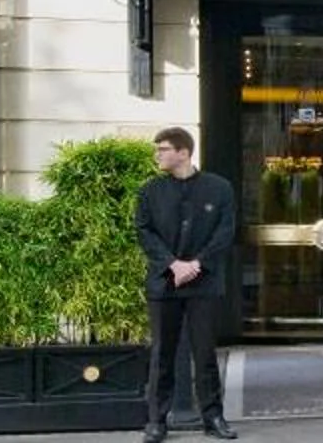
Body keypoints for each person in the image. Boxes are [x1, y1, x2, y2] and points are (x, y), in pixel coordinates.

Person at [136, 126, 238, 442]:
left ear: (183, 151)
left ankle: (214, 417)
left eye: (163, 149)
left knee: (205, 353)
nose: (158, 155)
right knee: (162, 354)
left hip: (203, 284)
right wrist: (172, 264)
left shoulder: (219, 188)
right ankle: (157, 421)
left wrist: (196, 264)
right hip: (164, 283)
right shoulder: (150, 190)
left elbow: (225, 232)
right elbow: (144, 231)